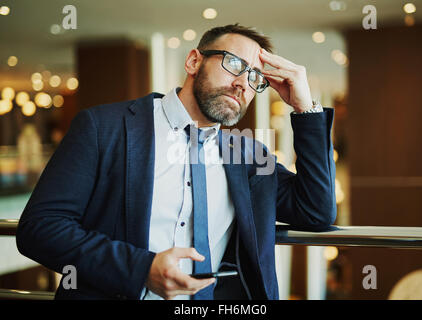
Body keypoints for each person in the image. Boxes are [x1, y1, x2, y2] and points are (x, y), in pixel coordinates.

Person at [16, 24, 336, 300]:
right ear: (194, 60)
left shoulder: (248, 156)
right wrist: (141, 269)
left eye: (255, 77)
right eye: (235, 64)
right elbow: (40, 229)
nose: (243, 83)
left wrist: (305, 109)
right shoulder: (104, 128)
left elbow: (315, 211)